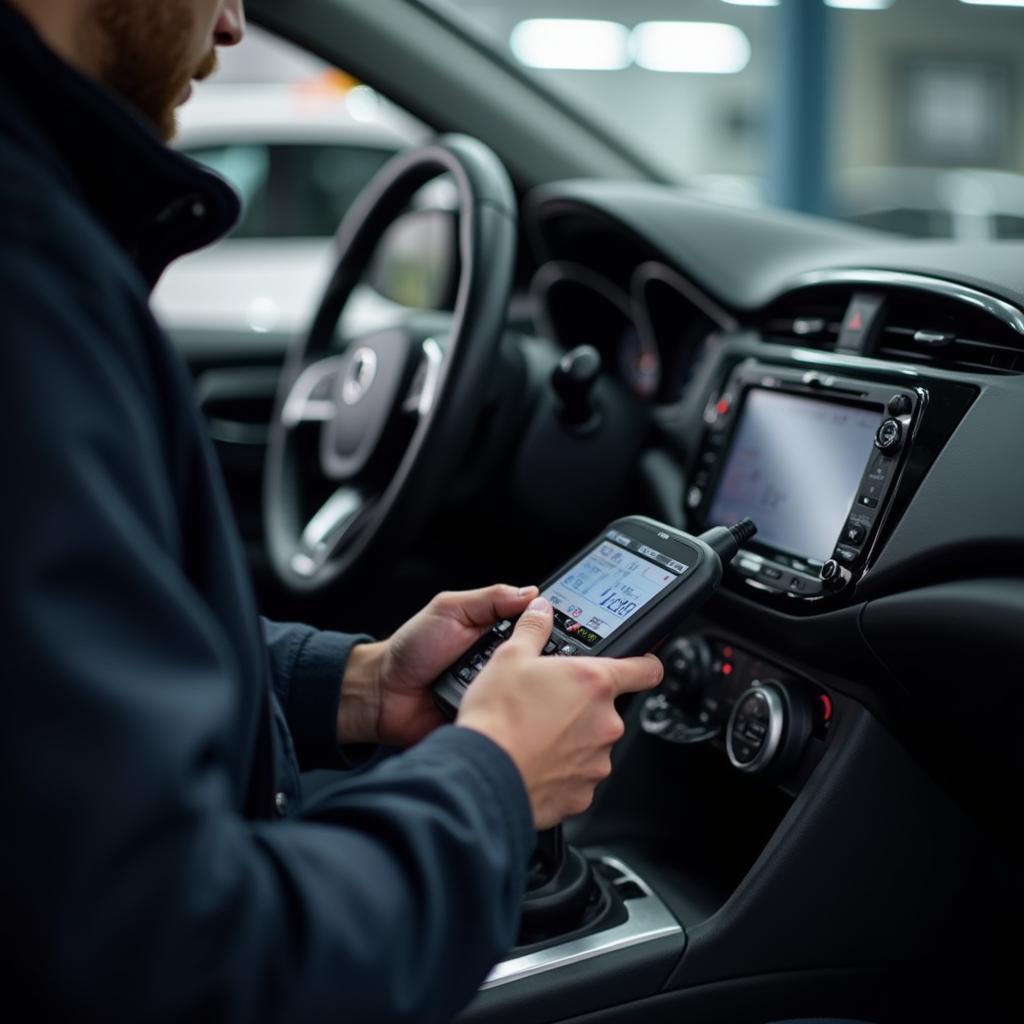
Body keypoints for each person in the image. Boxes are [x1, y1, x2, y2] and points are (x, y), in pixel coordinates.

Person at [0, 1, 663, 1020]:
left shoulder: (51, 242)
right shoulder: (29, 285)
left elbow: (61, 668)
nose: (230, 22)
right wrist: (494, 783)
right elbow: (190, 963)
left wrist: (350, 687)